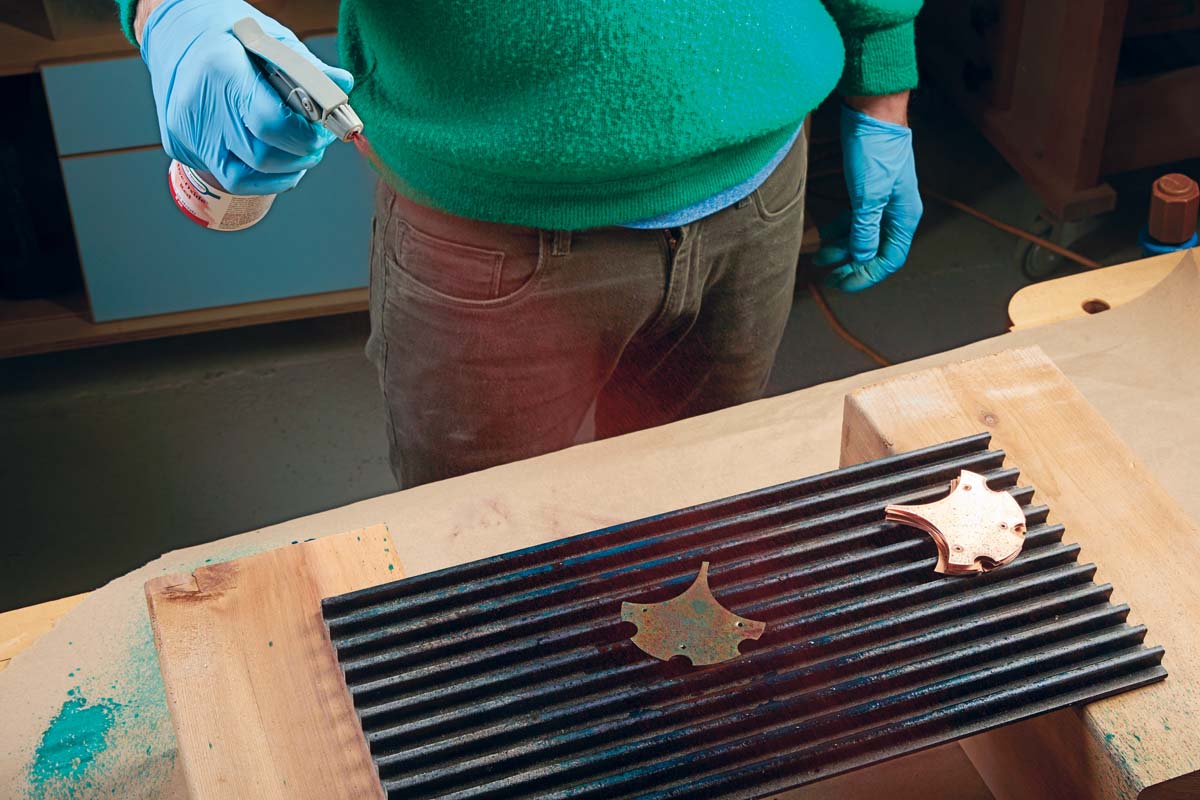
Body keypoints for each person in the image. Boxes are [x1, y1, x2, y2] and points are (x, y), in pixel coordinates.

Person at [120, 0, 924, 487]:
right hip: (490, 229)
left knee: (688, 513)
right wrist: (172, 14)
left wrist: (882, 70)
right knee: (480, 564)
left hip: (762, 181)